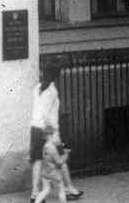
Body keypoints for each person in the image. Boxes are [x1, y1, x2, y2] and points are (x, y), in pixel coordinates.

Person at [29, 63, 83, 201]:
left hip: (35, 128)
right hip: (49, 130)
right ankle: (68, 188)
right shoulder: (52, 92)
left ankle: (34, 194)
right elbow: (47, 114)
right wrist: (53, 134)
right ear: (55, 77)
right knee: (60, 157)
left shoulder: (36, 88)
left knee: (37, 161)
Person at [34, 127, 69, 203]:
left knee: (45, 190)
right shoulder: (53, 149)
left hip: (45, 172)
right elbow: (59, 162)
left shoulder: (45, 147)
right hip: (54, 173)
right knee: (61, 190)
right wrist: (65, 155)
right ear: (50, 137)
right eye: (57, 136)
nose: (59, 138)